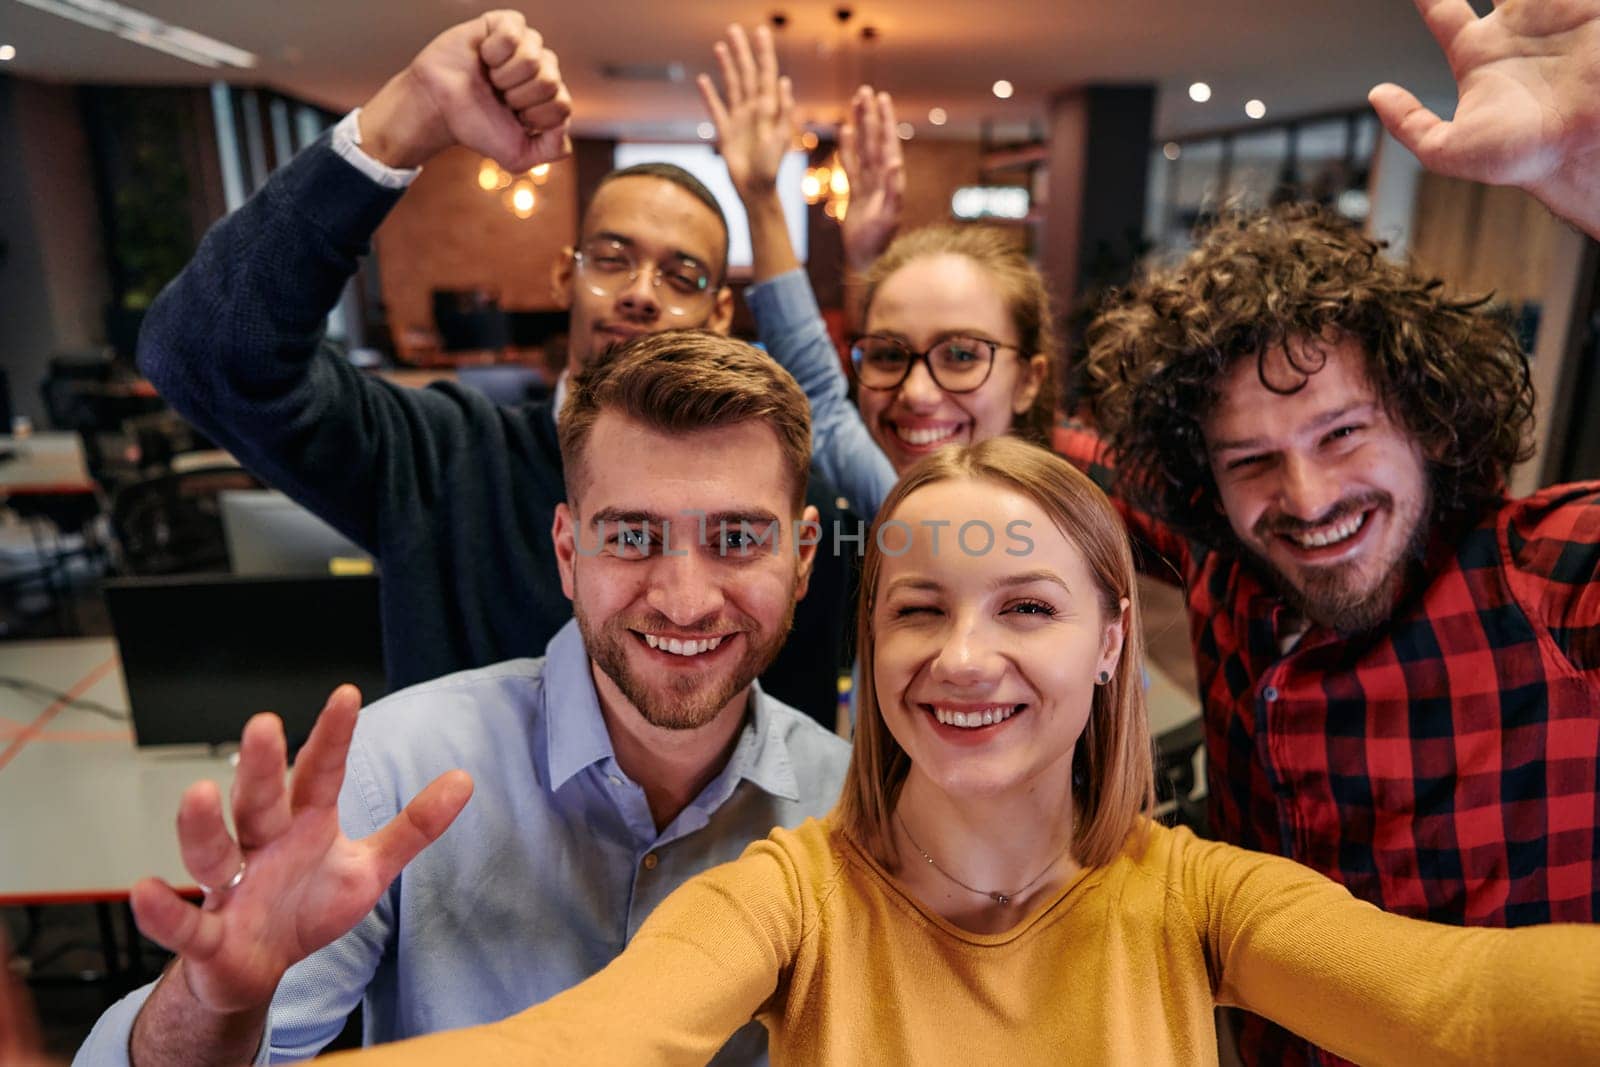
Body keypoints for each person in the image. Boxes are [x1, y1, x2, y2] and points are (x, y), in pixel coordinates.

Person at [706, 8, 1600, 1063]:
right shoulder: (1217, 541)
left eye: (1343, 432)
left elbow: (1476, 1000)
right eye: (1250, 457)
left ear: (1427, 413)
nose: (1304, 493)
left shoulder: (1548, 571)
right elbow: (919, 451)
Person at [312, 438, 1600, 1066]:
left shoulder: (1202, 898)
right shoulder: (787, 896)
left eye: (1026, 607)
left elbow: (1467, 1002)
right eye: (917, 608)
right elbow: (585, 1045)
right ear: (870, 639)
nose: (962, 657)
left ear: (1110, 642)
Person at [74, 334, 851, 1066]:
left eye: (739, 539)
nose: (685, 601)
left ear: (804, 557)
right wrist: (219, 1003)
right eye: (633, 536)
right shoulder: (396, 769)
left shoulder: (852, 808)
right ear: (568, 553)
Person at [130, 10, 851, 725]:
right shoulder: (443, 459)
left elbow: (805, 735)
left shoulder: (775, 501)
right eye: (611, 259)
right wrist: (403, 118)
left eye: (680, 274)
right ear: (563, 282)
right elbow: (201, 350)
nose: (637, 292)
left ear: (720, 312)